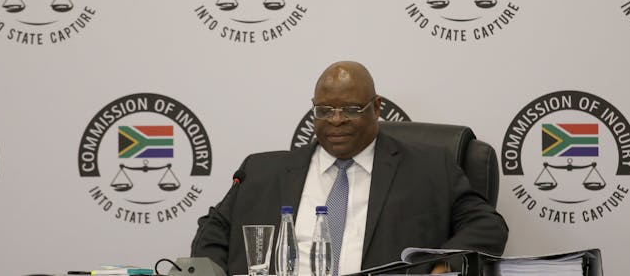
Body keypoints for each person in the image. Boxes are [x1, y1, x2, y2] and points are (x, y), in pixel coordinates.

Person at [191, 61, 508, 276]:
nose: (336, 120)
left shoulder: (429, 168)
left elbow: (488, 226)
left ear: (377, 107)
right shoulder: (260, 171)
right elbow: (211, 234)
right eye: (324, 110)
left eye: (351, 109)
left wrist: (445, 263)